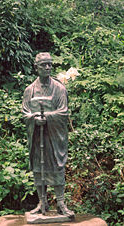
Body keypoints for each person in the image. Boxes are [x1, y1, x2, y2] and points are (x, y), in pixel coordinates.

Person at [22, 52, 74, 216]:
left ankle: (60, 203)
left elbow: (63, 112)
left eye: (50, 64)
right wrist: (34, 119)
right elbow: (25, 113)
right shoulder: (29, 90)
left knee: (57, 167)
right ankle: (42, 202)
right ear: (36, 67)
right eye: (44, 64)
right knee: (38, 168)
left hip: (53, 137)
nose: (47, 67)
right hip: (38, 136)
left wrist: (47, 118)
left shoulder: (59, 89)